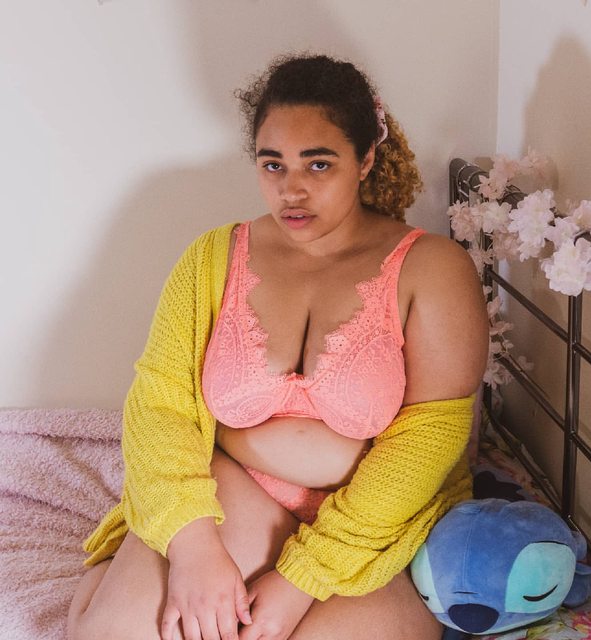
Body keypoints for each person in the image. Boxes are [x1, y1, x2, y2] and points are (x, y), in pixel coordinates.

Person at [67, 53, 488, 640]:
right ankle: (111, 586)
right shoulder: (212, 258)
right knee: (112, 634)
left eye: (319, 164)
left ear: (366, 158)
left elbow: (429, 439)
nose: (292, 189)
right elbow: (160, 404)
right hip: (232, 493)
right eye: (273, 164)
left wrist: (302, 578)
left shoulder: (432, 268)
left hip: (371, 526)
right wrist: (193, 549)